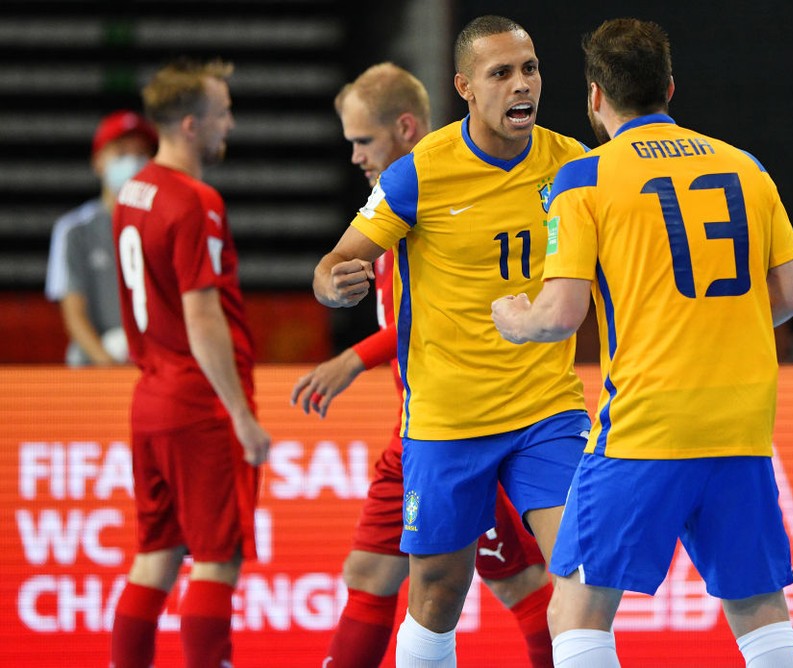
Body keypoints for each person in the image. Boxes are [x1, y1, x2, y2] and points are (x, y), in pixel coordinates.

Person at [491, 18, 793, 667]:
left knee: (576, 607)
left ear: (594, 98)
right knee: (756, 605)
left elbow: (560, 314)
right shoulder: (745, 167)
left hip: (648, 421)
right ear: (669, 86)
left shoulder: (585, 178)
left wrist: (515, 318)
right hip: (742, 421)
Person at [311, 16, 591, 666]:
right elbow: (335, 262)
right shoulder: (416, 174)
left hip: (546, 411)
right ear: (465, 86)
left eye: (530, 69)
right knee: (436, 590)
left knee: (581, 576)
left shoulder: (575, 164)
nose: (522, 85)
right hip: (447, 421)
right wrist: (334, 285)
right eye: (502, 73)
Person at [109, 57, 271, 668]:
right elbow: (202, 316)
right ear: (188, 125)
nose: (229, 123)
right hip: (196, 402)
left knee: (155, 557)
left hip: (150, 395)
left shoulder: (133, 190)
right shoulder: (194, 200)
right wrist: (240, 415)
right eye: (221, 112)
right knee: (215, 559)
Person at [44, 110, 158, 366]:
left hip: (152, 358)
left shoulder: (165, 226)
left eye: (141, 154)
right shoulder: (74, 230)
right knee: (81, 355)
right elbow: (74, 315)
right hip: (97, 361)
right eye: (121, 153)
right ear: (98, 162)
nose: (132, 162)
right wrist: (108, 365)